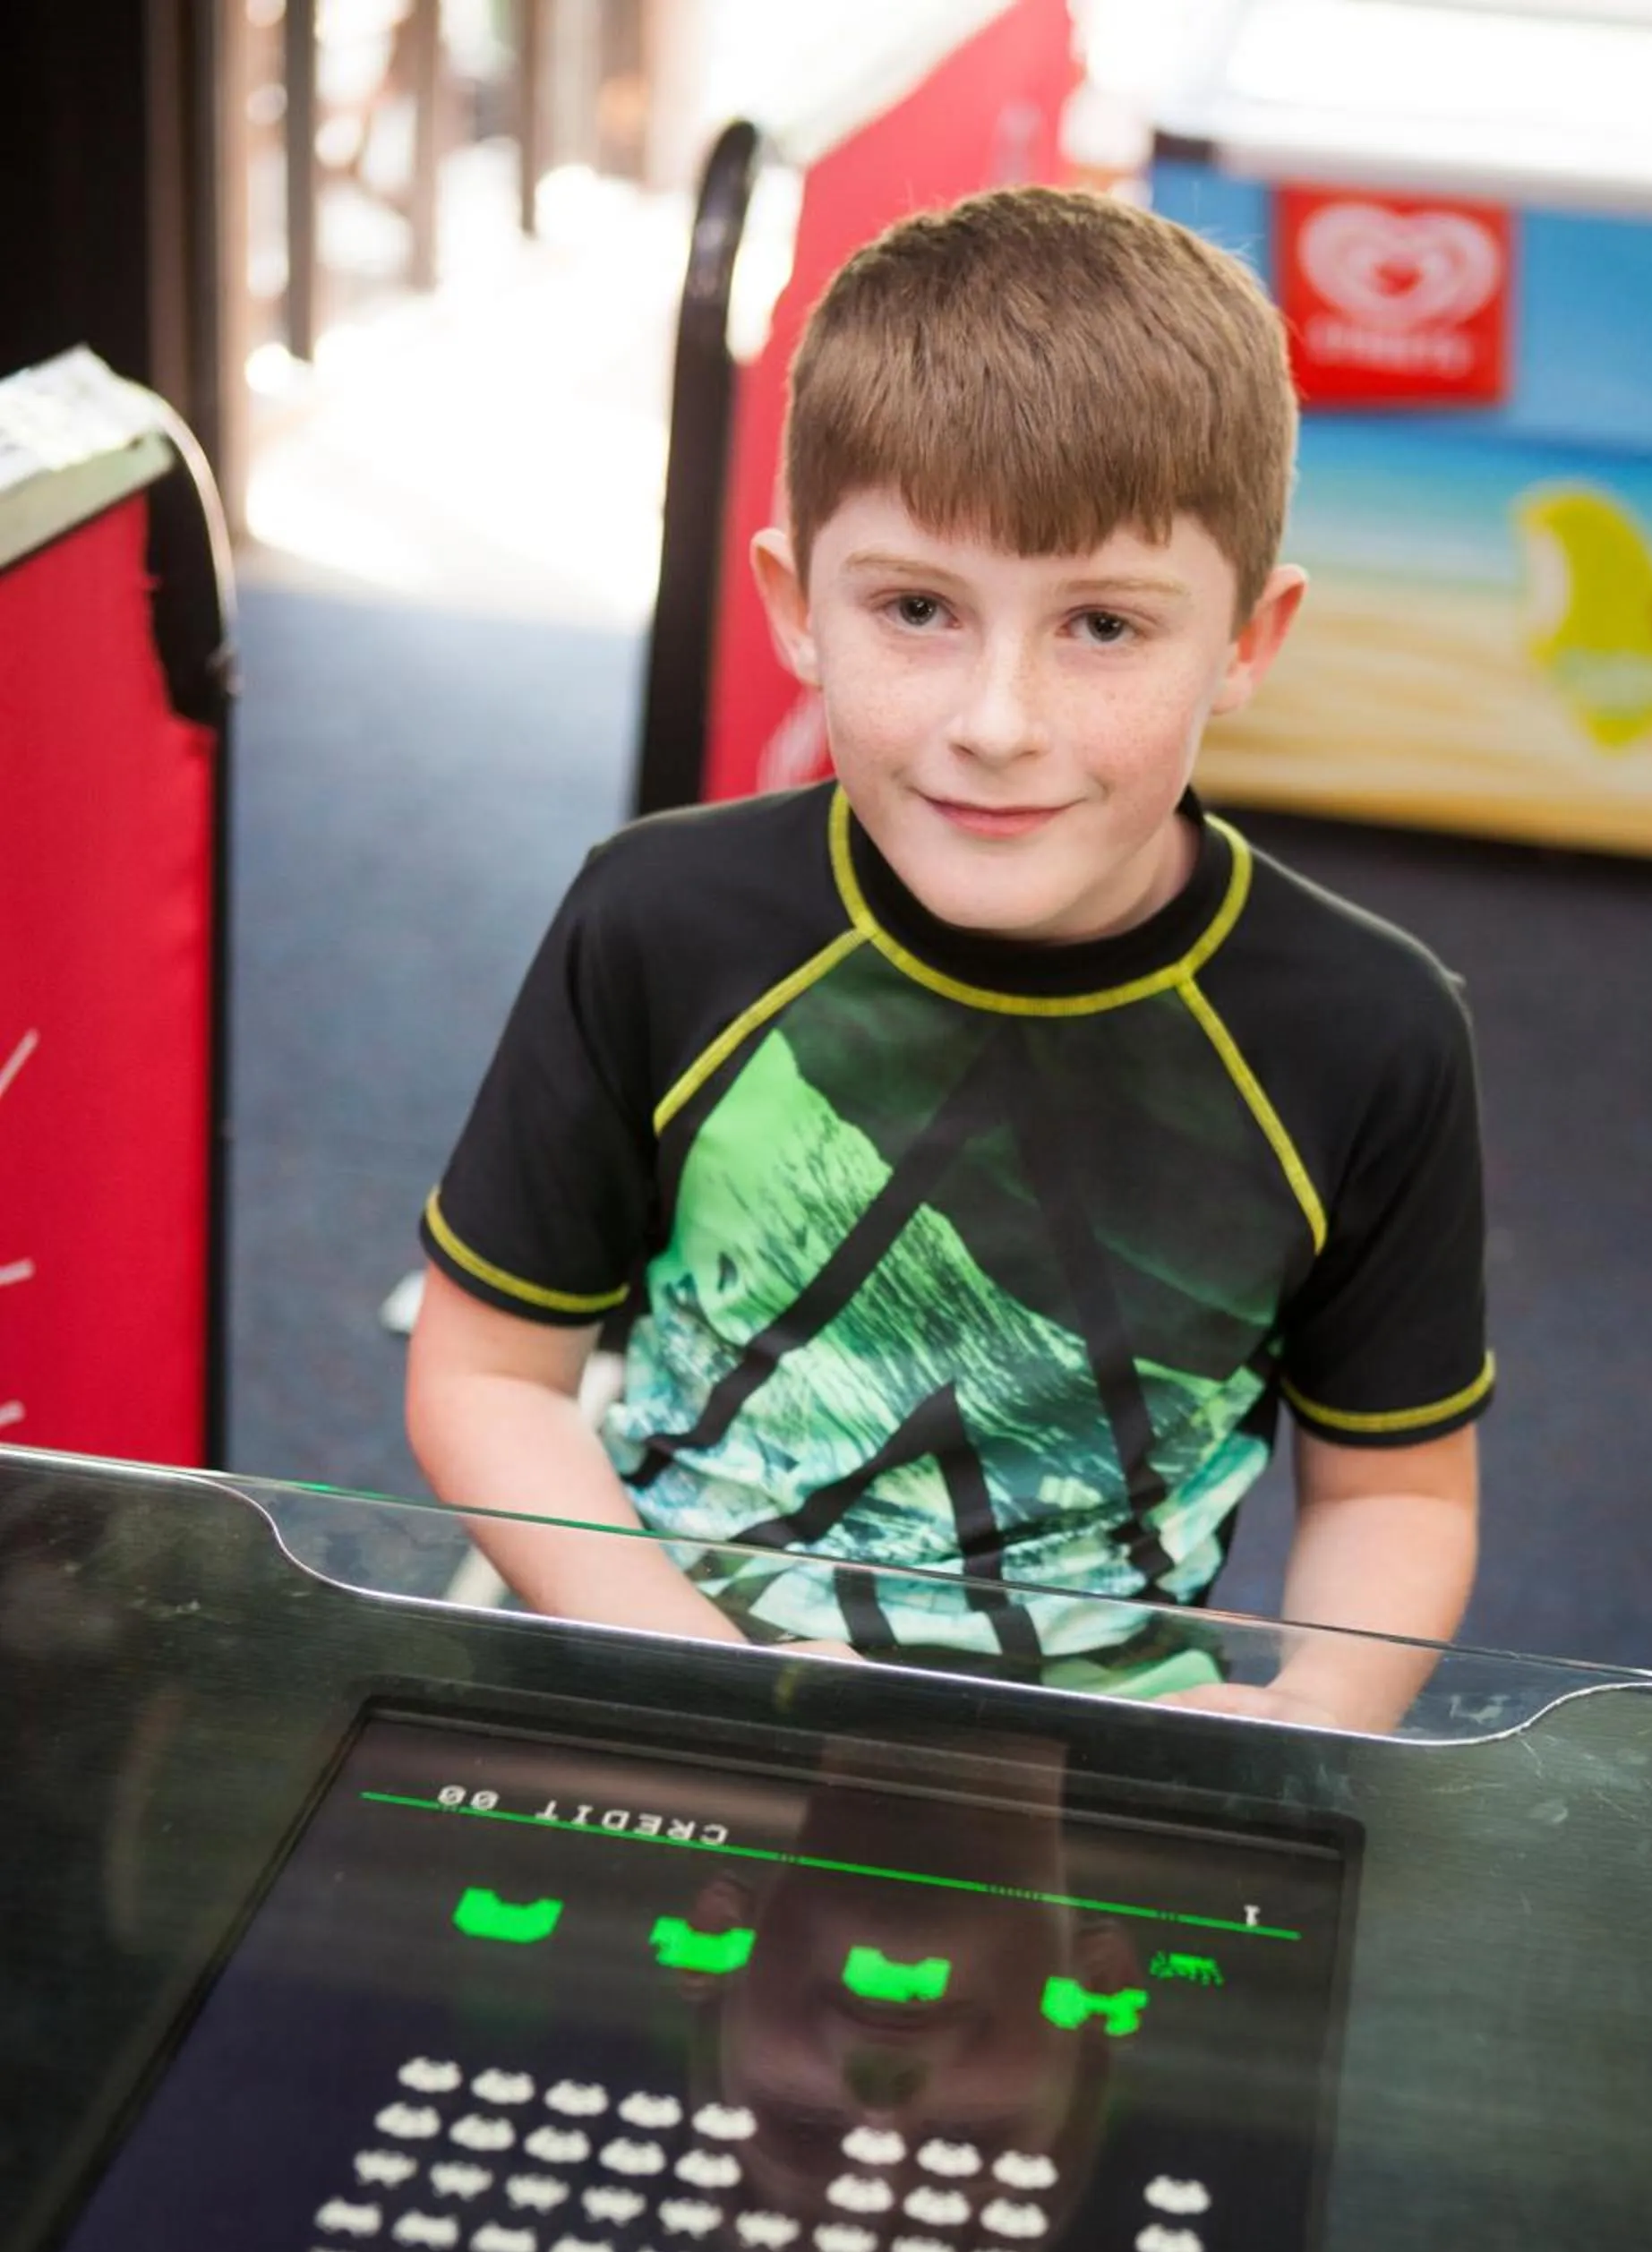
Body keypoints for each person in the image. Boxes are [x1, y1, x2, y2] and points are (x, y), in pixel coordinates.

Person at [407, 187, 1494, 1730]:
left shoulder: (1375, 1033)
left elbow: (1401, 1495)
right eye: (918, 608)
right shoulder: (656, 920)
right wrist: (703, 1670)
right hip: (664, 1692)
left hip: (1104, 1768)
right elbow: (488, 1379)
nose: (999, 721)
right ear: (797, 607)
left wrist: (1317, 1709)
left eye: (1103, 627)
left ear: (1249, 640)